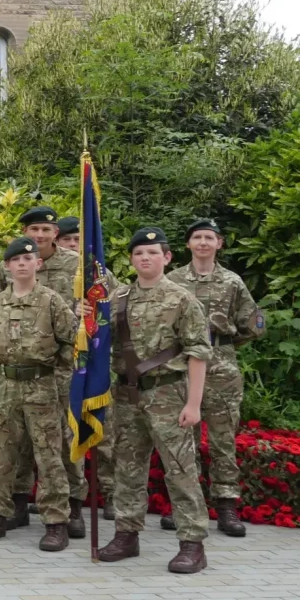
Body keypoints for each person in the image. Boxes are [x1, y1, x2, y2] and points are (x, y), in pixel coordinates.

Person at [100, 228, 211, 574]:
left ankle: (192, 543)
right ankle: (126, 534)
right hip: (127, 394)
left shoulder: (182, 299)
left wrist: (193, 404)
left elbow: (198, 352)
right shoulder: (118, 298)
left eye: (152, 252)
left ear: (166, 257)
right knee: (127, 467)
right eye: (138, 254)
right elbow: (97, 340)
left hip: (167, 392)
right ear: (131, 260)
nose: (144, 258)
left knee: (179, 469)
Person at [0, 237, 77, 551]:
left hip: (41, 386)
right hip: (6, 387)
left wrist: (49, 362)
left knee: (49, 456)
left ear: (38, 264)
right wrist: (1, 359)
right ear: (6, 266)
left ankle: (56, 521)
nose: (21, 264)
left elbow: (73, 339)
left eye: (27, 258)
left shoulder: (51, 301)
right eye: (15, 260)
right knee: (3, 454)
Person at [164, 218, 263, 538]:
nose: (203, 243)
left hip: (221, 367)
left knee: (223, 440)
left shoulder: (232, 282)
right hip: (181, 366)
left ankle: (226, 506)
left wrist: (223, 342)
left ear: (219, 243)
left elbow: (254, 325)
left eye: (210, 237)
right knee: (183, 440)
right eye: (197, 237)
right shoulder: (173, 281)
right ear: (188, 244)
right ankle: (187, 506)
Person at [0, 206, 89, 535]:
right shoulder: (8, 265)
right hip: (23, 369)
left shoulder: (77, 264)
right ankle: (19, 503)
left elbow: (107, 300)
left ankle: (73, 505)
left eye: (45, 230)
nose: (39, 235)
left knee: (64, 441)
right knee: (19, 440)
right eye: (33, 229)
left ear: (55, 234)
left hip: (65, 369)